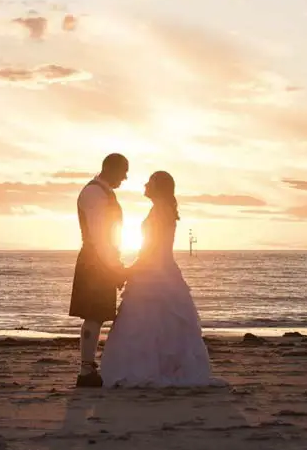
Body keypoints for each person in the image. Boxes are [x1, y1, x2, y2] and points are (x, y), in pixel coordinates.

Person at [100, 171, 224, 388]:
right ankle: (161, 367)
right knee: (158, 322)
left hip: (154, 269)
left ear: (158, 186)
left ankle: (147, 369)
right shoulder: (161, 209)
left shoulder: (160, 211)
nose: (145, 184)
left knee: (145, 321)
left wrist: (131, 269)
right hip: (161, 269)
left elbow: (152, 247)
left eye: (150, 181)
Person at [69, 153, 128, 387]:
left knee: (97, 316)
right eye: (124, 172)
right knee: (94, 315)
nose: (125, 177)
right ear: (111, 169)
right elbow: (99, 236)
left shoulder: (103, 192)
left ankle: (87, 368)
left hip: (99, 259)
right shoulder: (95, 193)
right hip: (96, 261)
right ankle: (85, 371)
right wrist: (114, 266)